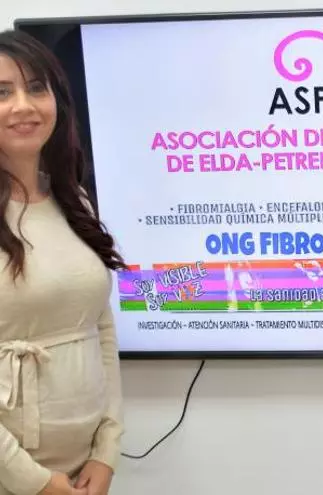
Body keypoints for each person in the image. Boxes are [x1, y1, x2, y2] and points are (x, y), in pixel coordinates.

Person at [0, 30, 126, 495]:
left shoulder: (73, 201)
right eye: (2, 93)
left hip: (81, 470)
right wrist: (33, 481)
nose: (23, 106)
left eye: (36, 88)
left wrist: (107, 450)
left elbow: (100, 327)